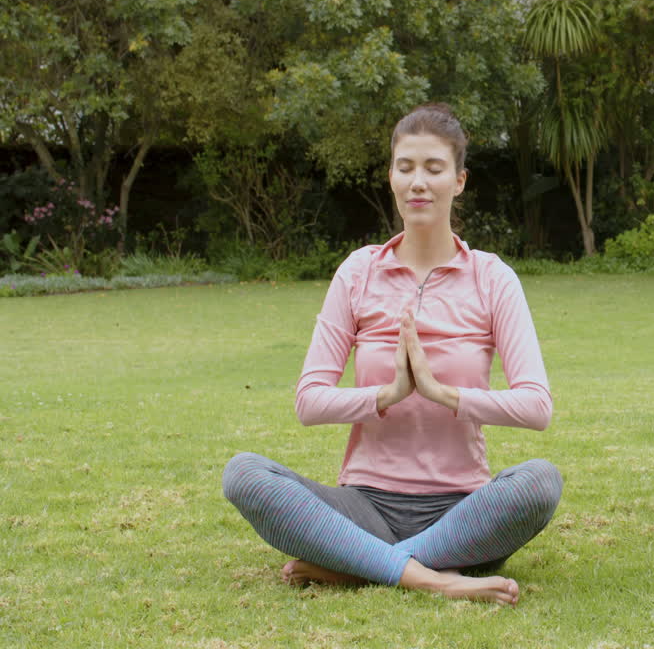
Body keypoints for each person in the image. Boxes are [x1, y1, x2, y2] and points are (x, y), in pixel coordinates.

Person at [222, 103, 562, 605]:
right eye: (406, 167)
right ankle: (431, 576)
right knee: (244, 473)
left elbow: (537, 406)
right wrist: (387, 393)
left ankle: (360, 564)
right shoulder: (358, 272)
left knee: (539, 482)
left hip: (461, 512)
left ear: (459, 180)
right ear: (391, 177)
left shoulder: (493, 278)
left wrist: (442, 393)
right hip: (365, 504)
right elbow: (309, 401)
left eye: (433, 168)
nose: (418, 182)